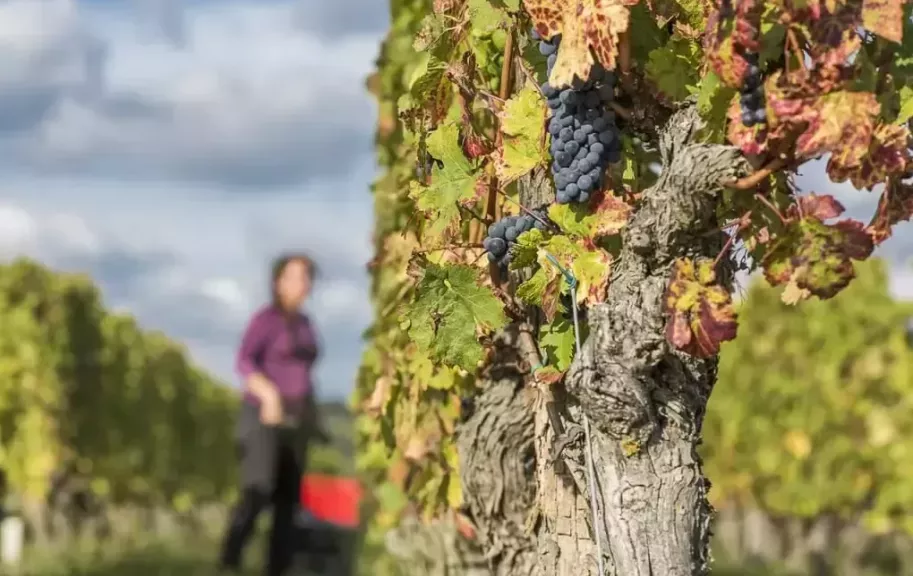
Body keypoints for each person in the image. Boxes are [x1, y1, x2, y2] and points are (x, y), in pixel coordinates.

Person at [218, 253, 324, 576]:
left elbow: (304, 373)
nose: (301, 283)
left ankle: (276, 570)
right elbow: (244, 363)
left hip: (296, 421)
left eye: (306, 276)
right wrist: (269, 394)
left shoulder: (305, 323)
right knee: (257, 491)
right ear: (278, 282)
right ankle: (229, 563)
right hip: (262, 418)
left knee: (288, 503)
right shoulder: (265, 320)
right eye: (293, 276)